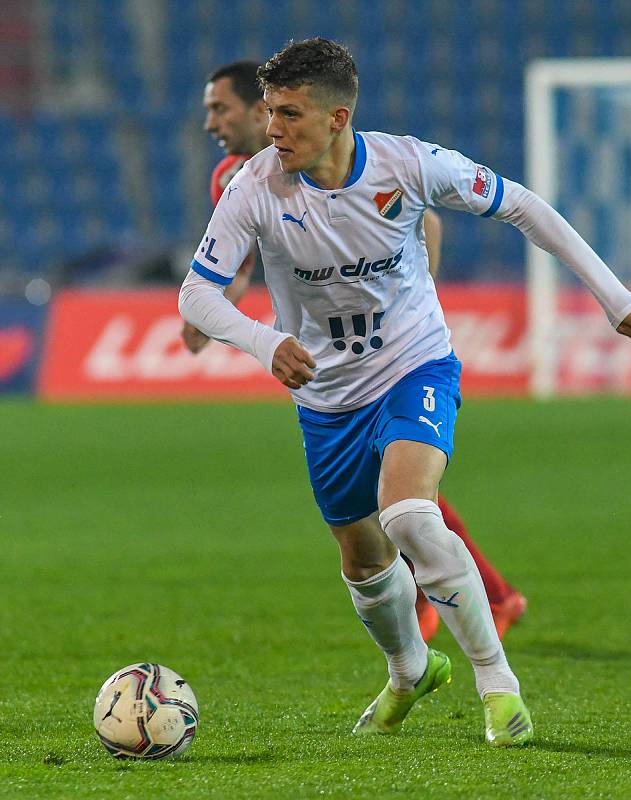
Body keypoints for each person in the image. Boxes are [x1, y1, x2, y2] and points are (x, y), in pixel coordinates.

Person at [179, 38, 631, 747]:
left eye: (288, 114)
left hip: (413, 365)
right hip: (325, 395)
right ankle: (409, 669)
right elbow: (197, 294)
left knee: (409, 511)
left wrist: (614, 298)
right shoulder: (254, 187)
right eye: (270, 114)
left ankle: (497, 687)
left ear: (337, 117)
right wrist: (265, 340)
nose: (273, 129)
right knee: (362, 560)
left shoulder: (409, 163)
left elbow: (522, 205)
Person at [184, 58, 528, 644]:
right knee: (394, 501)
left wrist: (412, 317)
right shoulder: (237, 182)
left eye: (222, 108)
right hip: (323, 356)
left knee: (405, 496)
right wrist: (227, 315)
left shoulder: (344, 160)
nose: (212, 122)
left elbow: (423, 225)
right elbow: (233, 269)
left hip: (388, 351)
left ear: (255, 108)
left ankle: (480, 604)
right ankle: (477, 599)